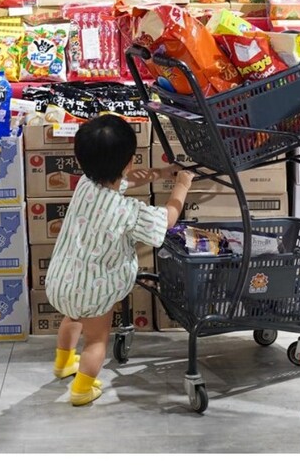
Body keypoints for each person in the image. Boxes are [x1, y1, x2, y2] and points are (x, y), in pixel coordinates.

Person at [45, 114, 194, 406]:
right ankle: (81, 391)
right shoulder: (128, 211)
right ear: (128, 161)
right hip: (95, 291)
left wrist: (161, 172)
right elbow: (166, 220)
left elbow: (129, 178)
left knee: (72, 318)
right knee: (96, 341)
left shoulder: (85, 186)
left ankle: (63, 364)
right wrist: (182, 185)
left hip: (62, 282)